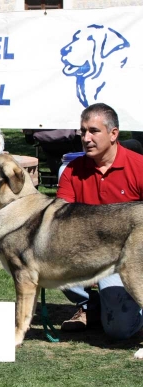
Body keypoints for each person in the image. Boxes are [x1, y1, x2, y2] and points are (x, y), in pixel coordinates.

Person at [57, 103, 143, 340]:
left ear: (113, 134)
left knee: (119, 331)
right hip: (90, 251)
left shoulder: (139, 167)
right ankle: (90, 307)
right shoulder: (73, 171)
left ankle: (128, 310)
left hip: (130, 255)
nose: (86, 138)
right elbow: (61, 220)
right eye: (83, 131)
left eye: (94, 131)